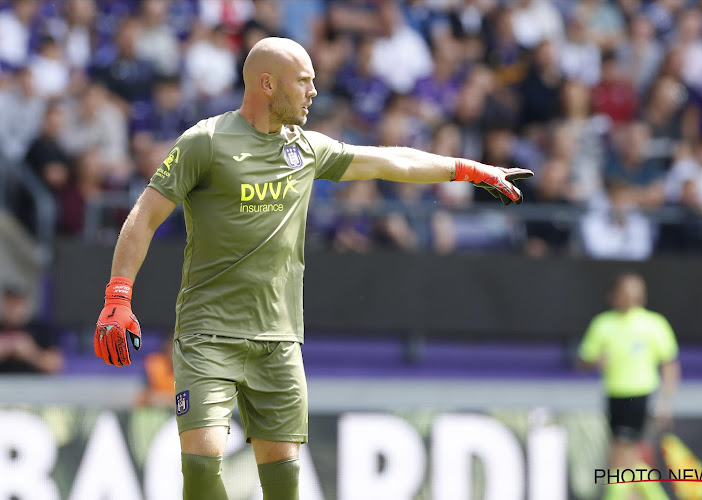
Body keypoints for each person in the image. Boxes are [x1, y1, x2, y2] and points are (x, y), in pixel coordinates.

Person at [92, 37, 533, 500]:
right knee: (202, 468)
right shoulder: (206, 142)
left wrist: (467, 168)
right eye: (303, 81)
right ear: (267, 84)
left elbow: (390, 160)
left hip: (279, 342)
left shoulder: (306, 149)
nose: (313, 92)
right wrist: (117, 296)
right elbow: (143, 217)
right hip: (208, 335)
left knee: (283, 483)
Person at [577, 273, 680, 500]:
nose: (631, 298)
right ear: (614, 295)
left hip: (643, 394)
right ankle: (636, 494)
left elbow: (670, 366)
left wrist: (664, 403)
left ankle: (617, 494)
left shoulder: (654, 323)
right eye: (626, 292)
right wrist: (595, 362)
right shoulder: (603, 324)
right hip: (615, 395)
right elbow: (583, 359)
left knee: (624, 449)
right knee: (628, 452)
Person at [0, 283, 63, 374]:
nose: (14, 309)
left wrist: (31, 354)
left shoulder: (41, 329)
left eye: (18, 304)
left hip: (34, 385)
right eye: (10, 303)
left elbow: (56, 365)